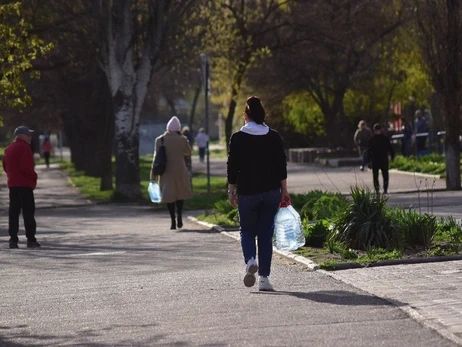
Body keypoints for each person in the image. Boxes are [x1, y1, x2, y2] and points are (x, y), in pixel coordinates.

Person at [227, 96, 290, 292]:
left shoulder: (237, 138)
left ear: (246, 116)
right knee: (265, 235)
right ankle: (264, 279)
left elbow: (233, 167)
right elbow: (281, 166)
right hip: (271, 192)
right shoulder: (274, 137)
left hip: (247, 192)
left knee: (246, 231)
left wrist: (231, 190)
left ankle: (250, 261)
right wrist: (284, 190)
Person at [151, 116, 193, 230]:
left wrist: (153, 174)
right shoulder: (182, 139)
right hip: (180, 170)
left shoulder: (160, 140)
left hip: (166, 172)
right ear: (178, 128)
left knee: (168, 196)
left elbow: (156, 158)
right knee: (180, 194)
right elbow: (188, 152)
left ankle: (172, 220)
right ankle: (179, 215)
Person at [2, 126, 41, 249]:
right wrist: (34, 176)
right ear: (21, 135)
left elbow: (5, 166)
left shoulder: (8, 149)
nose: (30, 137)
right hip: (24, 184)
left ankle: (13, 240)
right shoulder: (24, 147)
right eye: (28, 134)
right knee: (28, 212)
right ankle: (31, 239)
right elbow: (26, 167)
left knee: (13, 213)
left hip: (13, 184)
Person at [367, 123, 395, 195]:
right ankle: (379, 189)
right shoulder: (379, 139)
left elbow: (390, 148)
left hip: (380, 159)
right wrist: (369, 160)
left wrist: (392, 156)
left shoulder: (377, 139)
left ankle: (384, 189)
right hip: (379, 159)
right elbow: (369, 151)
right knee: (378, 175)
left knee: (383, 175)